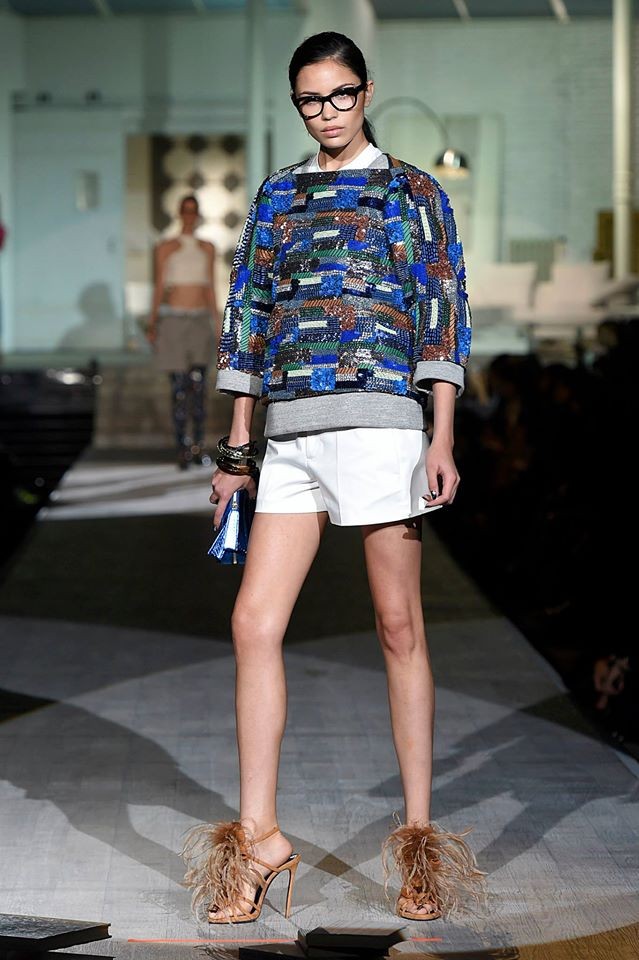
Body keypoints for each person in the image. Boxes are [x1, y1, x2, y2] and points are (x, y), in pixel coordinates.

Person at [182, 32, 485, 924]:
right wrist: (238, 453)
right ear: (297, 103)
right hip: (291, 436)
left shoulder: (412, 191)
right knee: (252, 623)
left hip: (384, 428)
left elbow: (440, 310)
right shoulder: (278, 194)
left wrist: (441, 435)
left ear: (366, 91)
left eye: (340, 95)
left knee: (397, 626)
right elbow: (249, 317)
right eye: (310, 100)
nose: (327, 113)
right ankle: (259, 839)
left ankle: (418, 846)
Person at [147, 195, 219, 469]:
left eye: (193, 210)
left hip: (199, 321)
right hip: (174, 321)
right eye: (185, 210)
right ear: (179, 213)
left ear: (197, 214)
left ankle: (198, 445)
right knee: (178, 388)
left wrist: (217, 324)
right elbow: (159, 286)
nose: (189, 215)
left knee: (198, 386)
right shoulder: (166, 247)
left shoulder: (207, 248)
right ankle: (182, 448)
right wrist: (153, 323)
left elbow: (210, 287)